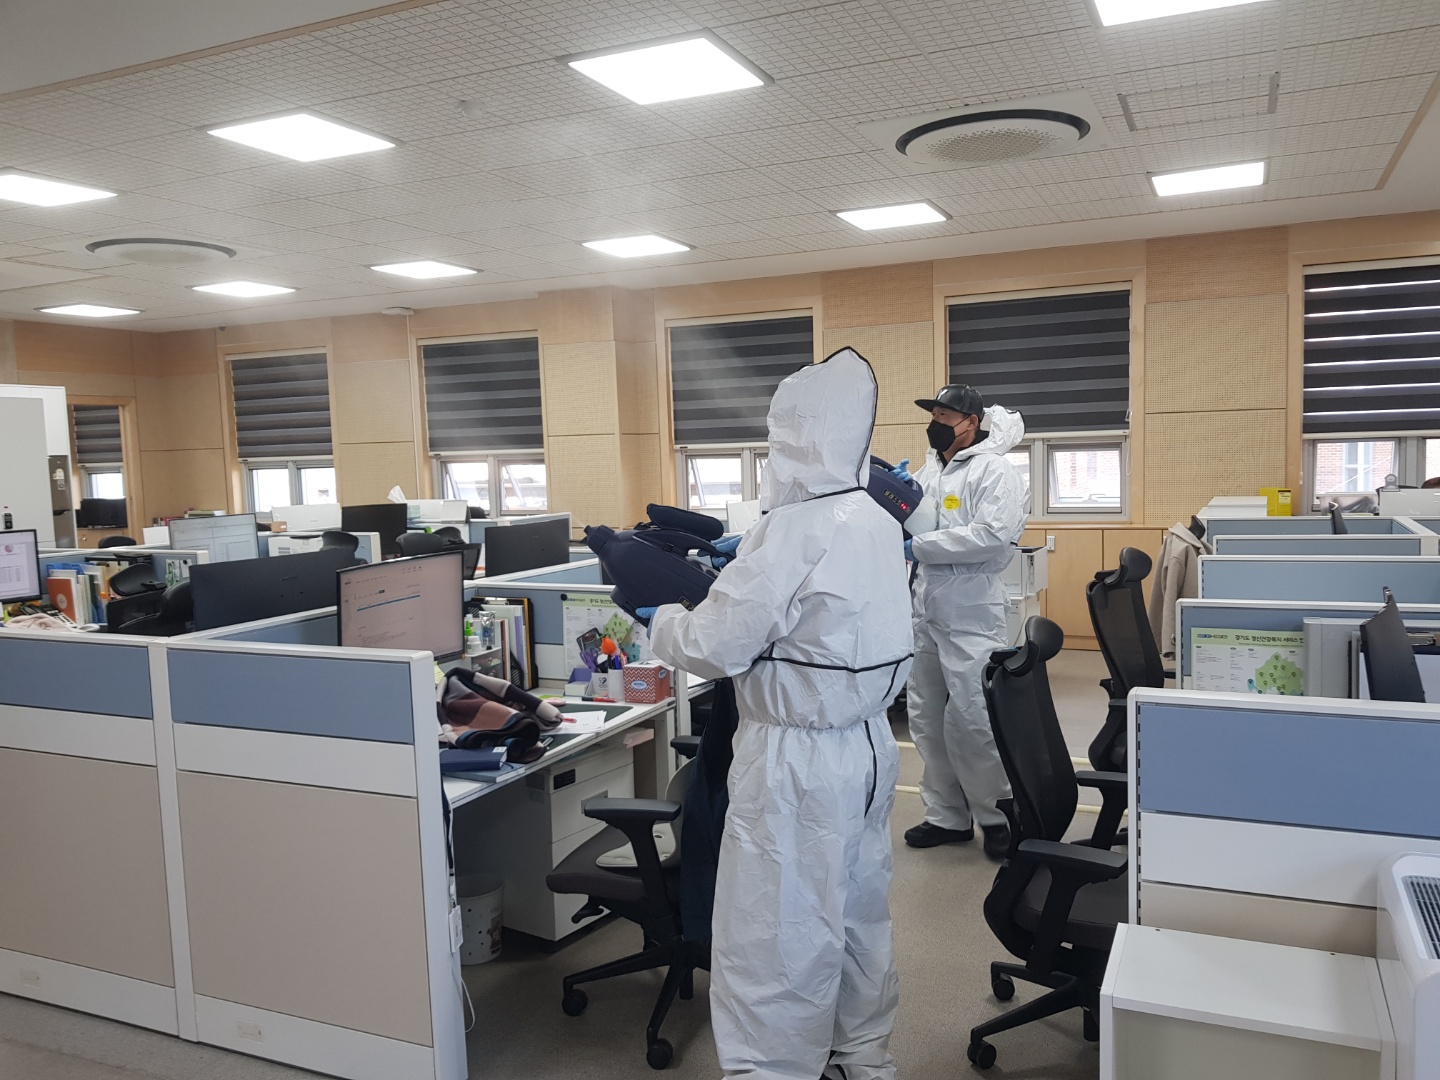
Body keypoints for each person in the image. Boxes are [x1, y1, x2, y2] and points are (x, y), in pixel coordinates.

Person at [640, 348, 913, 1080]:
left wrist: (658, 618)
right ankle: (860, 1057)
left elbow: (713, 647)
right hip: (867, 748)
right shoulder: (875, 519)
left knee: (777, 929)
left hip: (795, 758)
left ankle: (774, 1069)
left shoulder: (790, 530)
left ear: (792, 435)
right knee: (856, 912)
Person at [898, 384, 1028, 859]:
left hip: (971, 608)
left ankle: (997, 816)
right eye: (933, 415)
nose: (935, 423)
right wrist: (897, 495)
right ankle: (947, 816)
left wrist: (919, 546)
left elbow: (993, 536)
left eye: (944, 416)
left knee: (973, 718)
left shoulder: (994, 471)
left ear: (971, 422)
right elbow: (912, 518)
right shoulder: (931, 470)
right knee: (927, 717)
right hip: (927, 607)